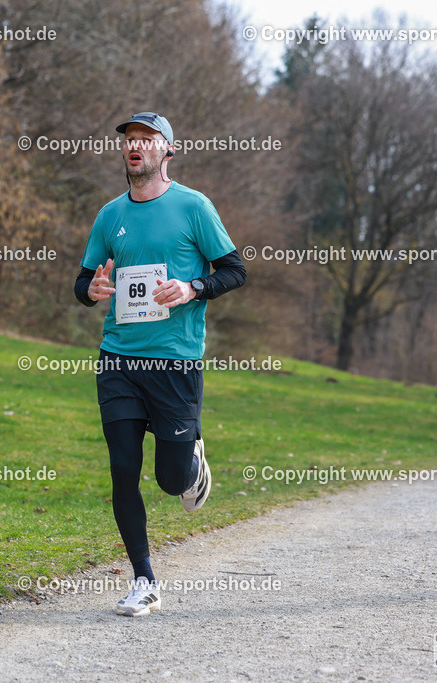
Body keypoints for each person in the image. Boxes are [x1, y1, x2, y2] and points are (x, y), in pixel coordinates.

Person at [74, 112, 247, 617]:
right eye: (130, 140)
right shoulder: (110, 216)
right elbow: (83, 283)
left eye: (147, 140)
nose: (136, 147)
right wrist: (92, 289)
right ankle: (144, 579)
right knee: (123, 471)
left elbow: (235, 270)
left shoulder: (194, 208)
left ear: (167, 151)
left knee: (171, 481)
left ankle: (190, 458)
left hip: (174, 363)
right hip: (119, 359)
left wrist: (193, 287)